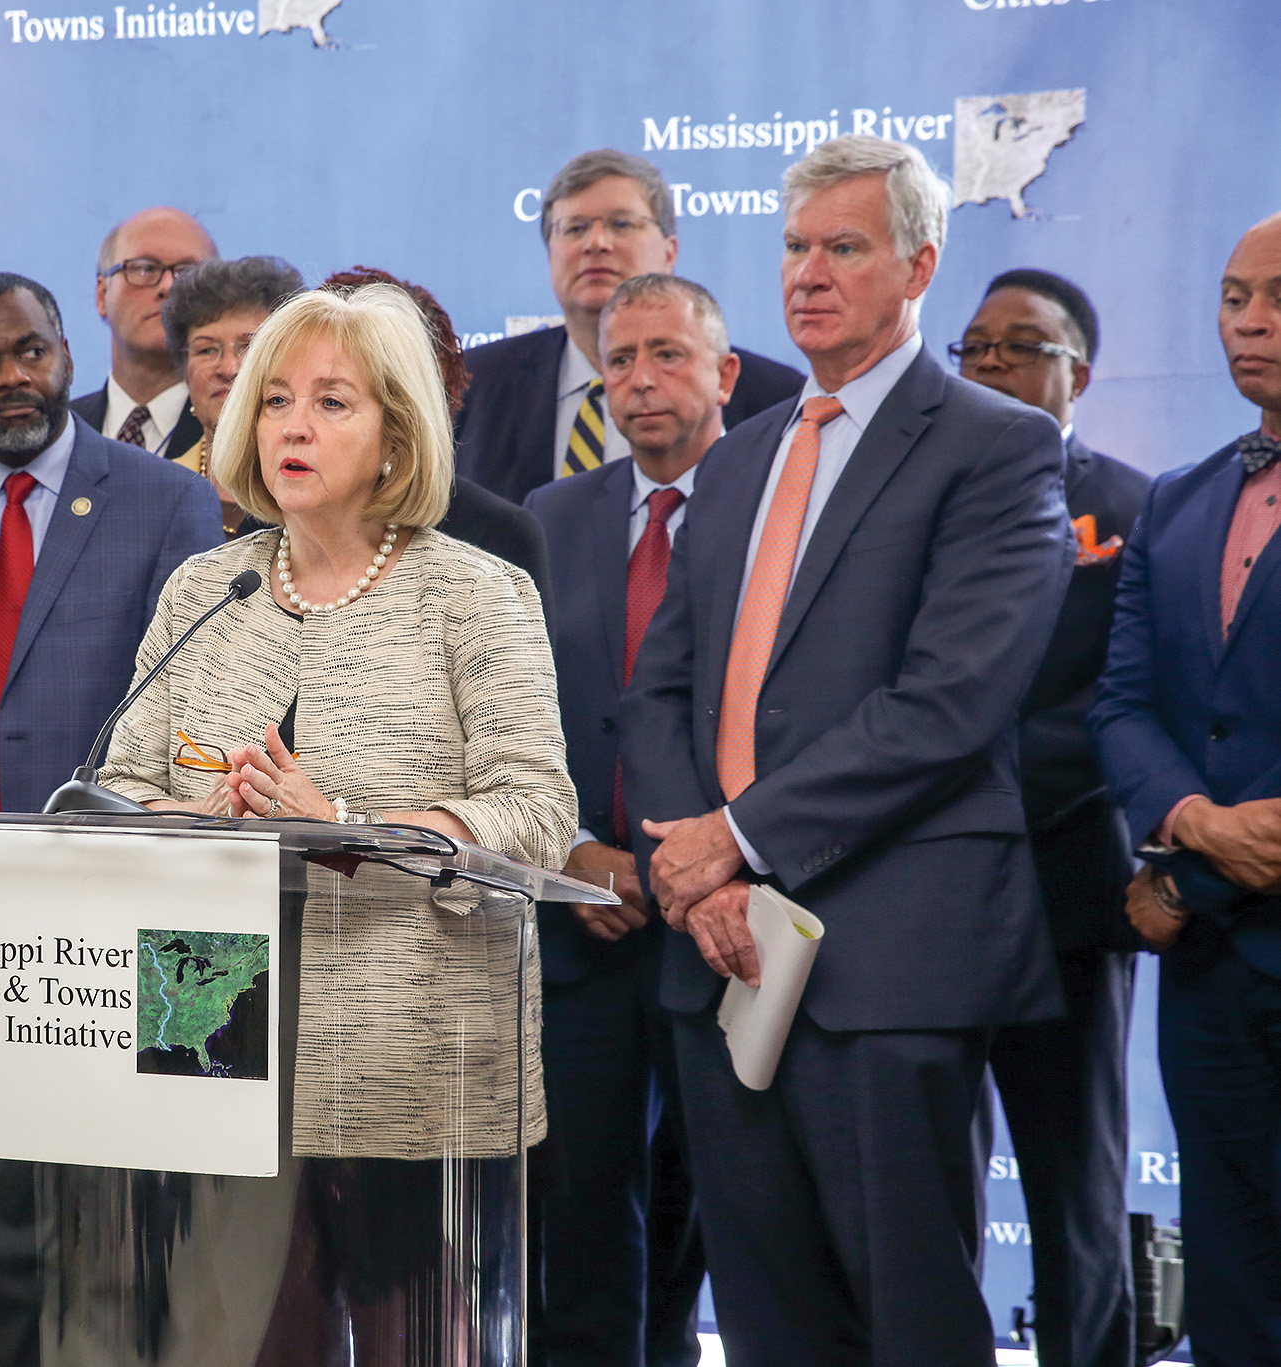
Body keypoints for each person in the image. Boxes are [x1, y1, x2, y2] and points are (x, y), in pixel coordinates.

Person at [619, 137, 1073, 1365]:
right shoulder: (744, 455)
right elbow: (658, 687)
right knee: (768, 1319)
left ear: (920, 262)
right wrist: (695, 865)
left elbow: (949, 703)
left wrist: (737, 841)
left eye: (844, 248)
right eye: (793, 247)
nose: (808, 274)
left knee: (909, 1316)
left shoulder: (995, 446)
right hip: (719, 958)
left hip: (892, 957)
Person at [95, 282, 575, 1358]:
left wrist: (348, 821)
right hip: (210, 1034)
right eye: (272, 402)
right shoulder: (203, 590)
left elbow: (537, 808)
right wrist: (189, 813)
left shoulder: (474, 592)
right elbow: (116, 778)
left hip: (408, 1047)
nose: (291, 426)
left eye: (330, 402)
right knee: (241, 1338)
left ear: (398, 434)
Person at [524, 272, 739, 1367]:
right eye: (618, 361)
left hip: (732, 910)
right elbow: (508, 717)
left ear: (724, 372)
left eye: (667, 354)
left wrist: (710, 859)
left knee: (719, 1211)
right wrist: (567, 849)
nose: (640, 382)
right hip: (585, 918)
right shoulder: (550, 518)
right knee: (582, 1210)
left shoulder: (770, 506)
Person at [1091, 211, 1281, 1366]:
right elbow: (1121, 702)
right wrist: (1191, 823)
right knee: (1234, 1275)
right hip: (1209, 959)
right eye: (1232, 296)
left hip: (1212, 911)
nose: (1251, 321)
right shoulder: (1180, 495)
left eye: (1277, 297)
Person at [957, 268, 1146, 1367]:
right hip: (922, 898)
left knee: (1074, 1182)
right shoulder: (917, 498)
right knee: (926, 1185)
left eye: (1021, 346)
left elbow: (1119, 694)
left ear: (1080, 370)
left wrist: (964, 787)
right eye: (973, 347)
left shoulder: (1131, 506)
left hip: (1067, 888)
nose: (990, 366)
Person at [0, 271, 218, 813]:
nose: (12, 377)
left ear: (68, 357)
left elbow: (193, 711)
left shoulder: (168, 502)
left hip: (107, 858)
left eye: (33, 351)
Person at [456, 150, 802, 506]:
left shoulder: (774, 398)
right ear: (549, 255)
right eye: (575, 228)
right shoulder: (472, 385)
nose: (596, 243)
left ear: (670, 252)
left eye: (621, 224)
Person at [320, 265, 556, 611]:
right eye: (280, 399)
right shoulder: (266, 530)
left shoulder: (499, 536)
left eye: (333, 401)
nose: (299, 424)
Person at [161, 254, 305, 533]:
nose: (229, 368)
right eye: (206, 350)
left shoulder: (315, 487)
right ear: (184, 371)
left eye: (249, 346)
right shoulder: (157, 490)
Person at [72, 207, 218, 456]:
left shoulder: (233, 430)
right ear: (101, 294)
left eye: (189, 273)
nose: (168, 286)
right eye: (145, 268)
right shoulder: (61, 432)